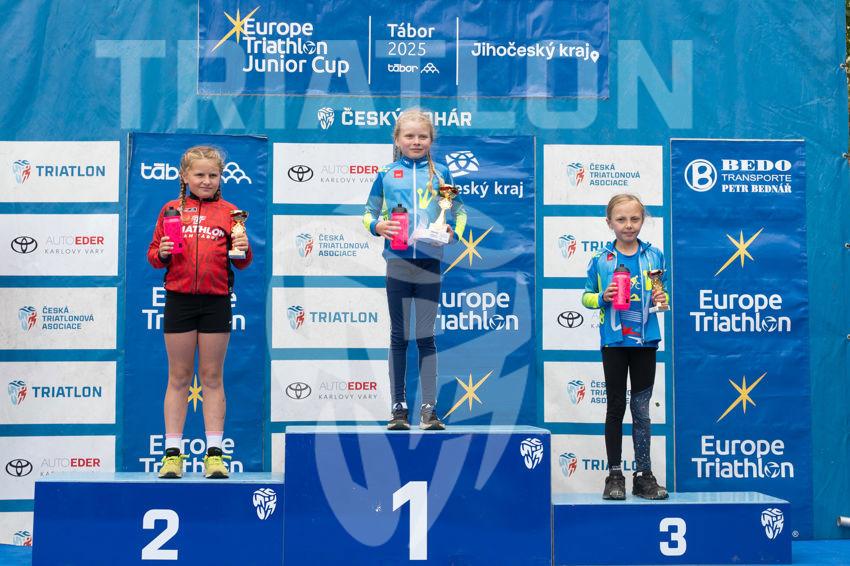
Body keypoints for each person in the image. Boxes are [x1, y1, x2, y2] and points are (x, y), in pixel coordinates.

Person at [147, 145, 251, 478]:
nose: (206, 181)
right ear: (185, 176)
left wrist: (243, 248)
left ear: (221, 177)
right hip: (179, 300)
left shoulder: (230, 213)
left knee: (212, 377)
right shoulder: (171, 210)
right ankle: (172, 455)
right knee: (178, 377)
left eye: (213, 175)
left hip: (216, 301)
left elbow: (243, 261)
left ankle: (215, 455)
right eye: (199, 174)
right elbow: (153, 255)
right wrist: (163, 252)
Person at [363, 109, 467, 431]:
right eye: (409, 136)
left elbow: (459, 213)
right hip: (397, 263)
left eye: (423, 136)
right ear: (397, 139)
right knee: (399, 336)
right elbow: (368, 212)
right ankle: (398, 409)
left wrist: (452, 232)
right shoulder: (386, 173)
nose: (416, 141)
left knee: (425, 336)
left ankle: (429, 410)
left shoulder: (442, 174)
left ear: (431, 140)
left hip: (429, 263)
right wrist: (377, 226)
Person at [581, 193, 669, 500]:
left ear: (643, 221)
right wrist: (601, 297)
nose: (628, 225)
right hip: (614, 341)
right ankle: (614, 476)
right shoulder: (600, 259)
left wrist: (662, 298)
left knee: (641, 410)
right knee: (616, 407)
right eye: (621, 219)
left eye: (634, 219)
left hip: (646, 341)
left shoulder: (655, 255)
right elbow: (586, 296)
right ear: (609, 223)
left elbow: (662, 292)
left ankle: (644, 476)